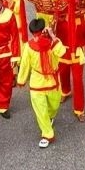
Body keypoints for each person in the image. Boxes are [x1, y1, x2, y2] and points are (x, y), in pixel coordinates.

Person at [16, 19, 66, 148]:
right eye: (34, 34)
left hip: (52, 80)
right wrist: (21, 80)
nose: (37, 37)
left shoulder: (54, 43)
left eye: (38, 34)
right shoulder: (28, 46)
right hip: (37, 82)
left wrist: (53, 36)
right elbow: (25, 63)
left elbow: (62, 53)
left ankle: (50, 118)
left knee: (54, 105)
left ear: (44, 30)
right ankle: (47, 134)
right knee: (40, 109)